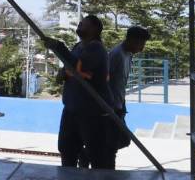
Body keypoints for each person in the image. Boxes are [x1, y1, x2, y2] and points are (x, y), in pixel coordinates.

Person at [48, 15, 116, 170]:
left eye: (83, 23)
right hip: (72, 108)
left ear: (94, 29)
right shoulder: (78, 46)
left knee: (97, 155)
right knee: (67, 149)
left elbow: (76, 66)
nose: (79, 24)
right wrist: (62, 73)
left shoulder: (96, 48)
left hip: (92, 112)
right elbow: (69, 68)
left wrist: (59, 47)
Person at [107, 25, 151, 115]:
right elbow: (104, 79)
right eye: (141, 44)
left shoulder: (129, 54)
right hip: (111, 105)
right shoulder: (116, 54)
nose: (142, 49)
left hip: (120, 102)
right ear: (132, 40)